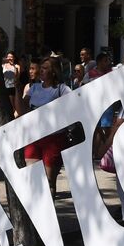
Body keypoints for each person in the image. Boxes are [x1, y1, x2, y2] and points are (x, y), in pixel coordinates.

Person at [22, 57, 72, 194]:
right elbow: (22, 108)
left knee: (49, 181)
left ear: (54, 71)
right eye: (41, 67)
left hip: (53, 138)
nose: (41, 71)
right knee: (32, 178)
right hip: (33, 138)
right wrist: (16, 86)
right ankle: (35, 211)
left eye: (45, 68)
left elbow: (73, 106)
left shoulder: (62, 89)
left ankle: (49, 213)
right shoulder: (34, 88)